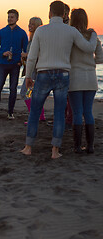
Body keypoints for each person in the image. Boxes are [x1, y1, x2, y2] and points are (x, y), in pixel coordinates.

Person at [20, 1, 97, 159]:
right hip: (63, 74)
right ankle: (55, 151)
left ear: (49, 14)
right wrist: (94, 35)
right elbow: (88, 48)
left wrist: (28, 76)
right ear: (63, 14)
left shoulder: (41, 31)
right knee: (59, 113)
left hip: (43, 74)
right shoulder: (71, 31)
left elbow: (33, 56)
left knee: (34, 111)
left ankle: (28, 147)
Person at [68, 8, 103, 154]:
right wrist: (89, 60)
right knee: (88, 111)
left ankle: (77, 147)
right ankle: (90, 146)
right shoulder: (93, 36)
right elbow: (100, 59)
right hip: (90, 79)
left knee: (77, 113)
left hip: (75, 78)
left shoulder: (69, 36)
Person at [0, 9, 28, 120]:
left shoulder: (22, 33)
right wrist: (2, 53)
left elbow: (26, 50)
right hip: (2, 65)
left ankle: (10, 113)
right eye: (8, 17)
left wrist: (21, 59)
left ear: (17, 19)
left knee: (13, 89)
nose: (9, 19)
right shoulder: (1, 32)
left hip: (15, 65)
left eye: (12, 17)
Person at [20, 17, 46, 124]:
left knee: (24, 93)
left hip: (36, 71)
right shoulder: (31, 39)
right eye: (29, 23)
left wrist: (27, 55)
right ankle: (41, 116)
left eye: (32, 24)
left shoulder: (38, 39)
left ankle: (34, 116)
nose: (29, 26)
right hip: (33, 70)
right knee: (35, 95)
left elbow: (39, 55)